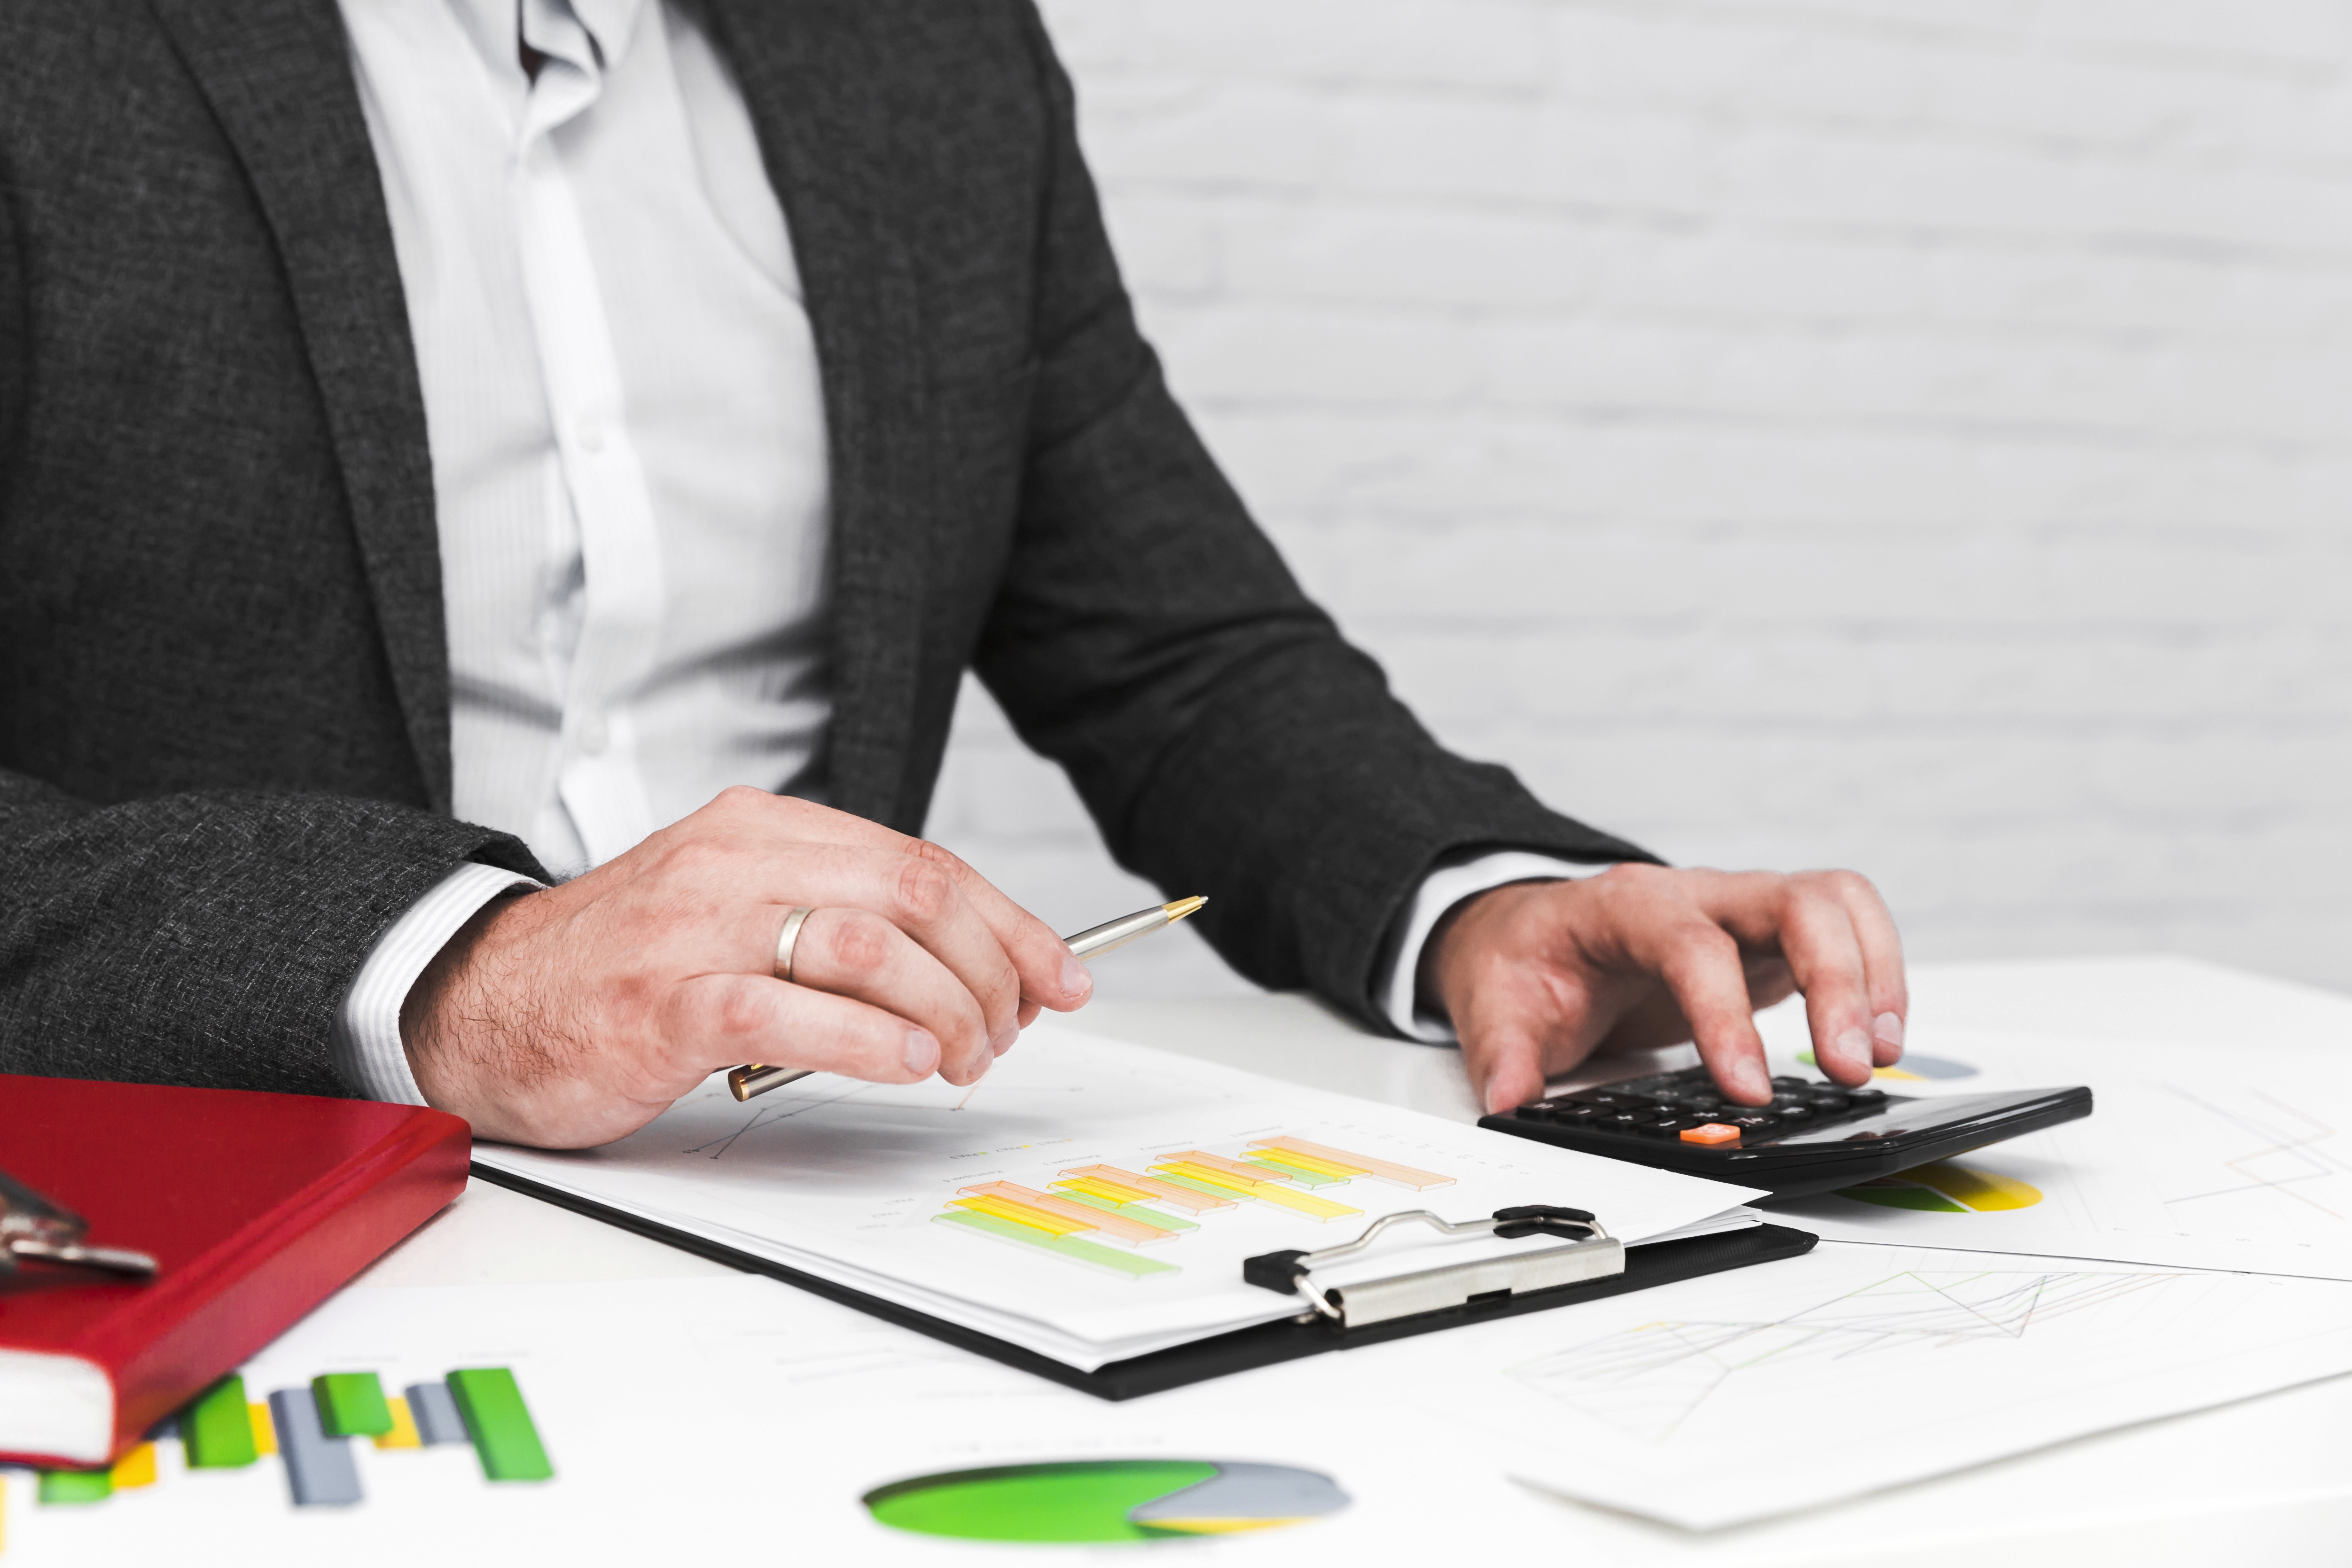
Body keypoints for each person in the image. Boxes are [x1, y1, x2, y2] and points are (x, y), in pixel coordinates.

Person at [0, 0, 1907, 1148]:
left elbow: (1172, 651)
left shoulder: (934, 57)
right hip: (197, 1204)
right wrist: (456, 971)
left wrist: (1477, 900)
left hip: (833, 1216)